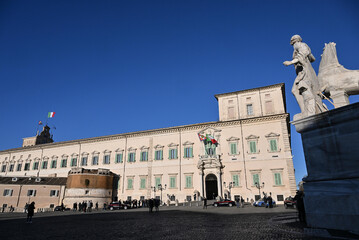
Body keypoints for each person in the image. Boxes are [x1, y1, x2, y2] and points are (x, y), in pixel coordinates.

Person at [283, 35, 327, 118]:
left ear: (294, 41)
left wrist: (291, 62)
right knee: (301, 90)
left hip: (304, 72)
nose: (292, 44)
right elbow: (312, 58)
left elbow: (303, 54)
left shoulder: (298, 45)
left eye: (292, 42)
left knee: (297, 90)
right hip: (305, 71)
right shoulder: (302, 46)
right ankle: (310, 110)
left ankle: (308, 111)